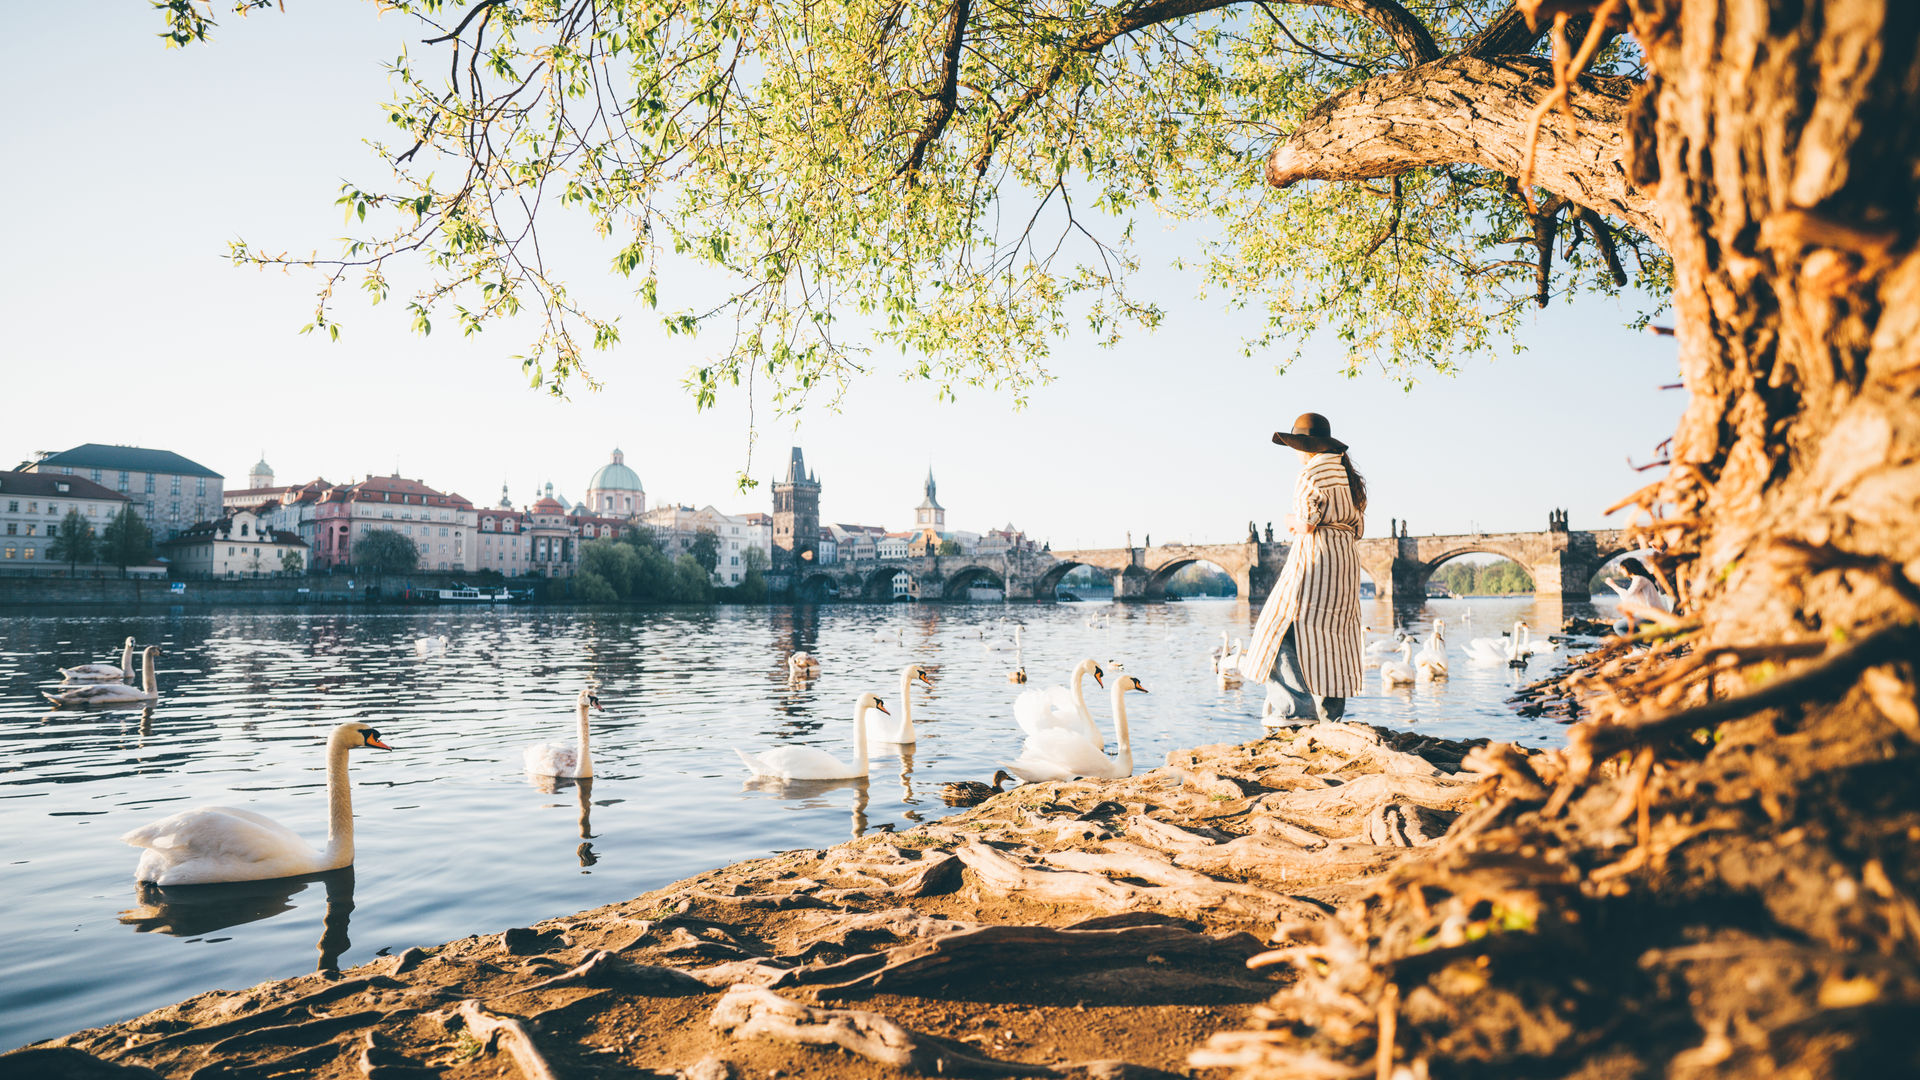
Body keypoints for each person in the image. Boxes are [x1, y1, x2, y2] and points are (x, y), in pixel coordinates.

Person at [1239, 413, 1367, 725]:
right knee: (1333, 635)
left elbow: (1307, 523)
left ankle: (1295, 710)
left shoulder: (1311, 473)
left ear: (1306, 447)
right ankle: (1330, 716)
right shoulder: (1346, 476)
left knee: (1276, 629)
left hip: (1315, 559)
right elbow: (1359, 527)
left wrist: (1289, 521)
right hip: (1345, 561)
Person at [1607, 557, 1670, 635]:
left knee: (1618, 626)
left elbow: (1627, 596)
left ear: (1628, 568)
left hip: (1650, 614)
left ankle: (1634, 643)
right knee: (1629, 628)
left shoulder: (1639, 579)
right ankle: (1641, 642)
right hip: (1650, 613)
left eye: (1622, 568)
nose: (1621, 571)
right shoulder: (1640, 579)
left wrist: (1613, 585)